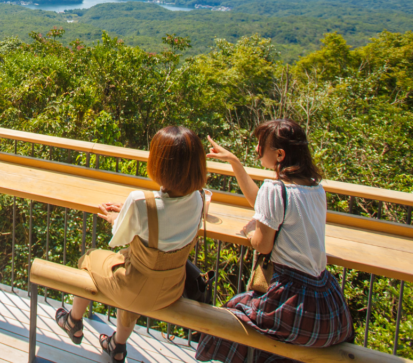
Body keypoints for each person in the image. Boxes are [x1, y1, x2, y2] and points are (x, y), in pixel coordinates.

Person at [196, 119, 353, 363]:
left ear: (279, 154)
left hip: (292, 301)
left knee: (225, 322)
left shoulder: (275, 189)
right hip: (327, 306)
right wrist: (234, 162)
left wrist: (250, 233)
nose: (257, 151)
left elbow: (263, 244)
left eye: (260, 146)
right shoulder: (314, 188)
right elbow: (264, 205)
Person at [54, 125, 210, 362]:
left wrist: (116, 217)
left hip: (137, 288)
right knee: (135, 278)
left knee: (89, 258)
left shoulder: (140, 202)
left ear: (159, 163)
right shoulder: (199, 199)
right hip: (171, 289)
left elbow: (120, 237)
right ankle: (117, 346)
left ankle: (73, 320)